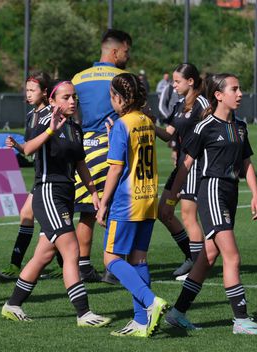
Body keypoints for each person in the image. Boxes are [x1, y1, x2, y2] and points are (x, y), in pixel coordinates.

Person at [162, 73, 257, 335]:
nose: (240, 93)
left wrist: (255, 194)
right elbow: (185, 165)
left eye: (240, 88)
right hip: (211, 190)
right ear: (219, 95)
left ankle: (177, 313)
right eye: (234, 89)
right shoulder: (204, 127)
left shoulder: (240, 126)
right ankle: (241, 320)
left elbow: (246, 163)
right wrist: (169, 200)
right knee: (231, 256)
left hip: (230, 192)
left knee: (207, 257)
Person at [1, 80, 111, 327]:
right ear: (52, 101)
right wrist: (50, 130)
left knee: (43, 256)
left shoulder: (75, 127)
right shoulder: (42, 121)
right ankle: (83, 313)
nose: (72, 101)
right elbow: (27, 150)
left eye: (74, 97)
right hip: (48, 192)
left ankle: (13, 304)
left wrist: (93, 192)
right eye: (65, 97)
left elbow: (81, 163)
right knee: (71, 251)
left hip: (66, 194)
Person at [96, 73, 168, 337]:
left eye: (111, 97)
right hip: (148, 198)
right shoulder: (146, 121)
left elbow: (115, 170)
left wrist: (103, 204)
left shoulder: (121, 124)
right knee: (138, 259)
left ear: (118, 97)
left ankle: (151, 302)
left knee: (111, 258)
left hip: (126, 202)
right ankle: (140, 322)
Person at [71, 29, 132, 283]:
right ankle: (113, 265)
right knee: (116, 208)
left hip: (84, 149)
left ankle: (83, 265)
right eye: (127, 52)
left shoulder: (78, 78)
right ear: (115, 51)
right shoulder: (123, 78)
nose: (128, 56)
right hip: (112, 148)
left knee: (87, 210)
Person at [0, 71, 64, 279]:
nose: (28, 94)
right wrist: (17, 145)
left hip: (52, 176)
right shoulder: (31, 116)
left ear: (45, 92)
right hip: (40, 174)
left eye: (32, 90)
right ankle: (66, 264)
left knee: (39, 219)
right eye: (26, 90)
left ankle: (18, 265)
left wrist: (23, 147)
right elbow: (29, 148)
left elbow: (47, 145)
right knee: (34, 218)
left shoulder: (51, 114)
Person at [155, 63, 209, 280]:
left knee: (188, 217)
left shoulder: (203, 104)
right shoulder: (179, 104)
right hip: (181, 167)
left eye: (177, 81)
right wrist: (149, 123)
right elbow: (168, 134)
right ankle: (191, 256)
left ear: (191, 81)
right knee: (164, 212)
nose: (173, 85)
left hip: (195, 165)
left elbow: (213, 131)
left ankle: (198, 268)